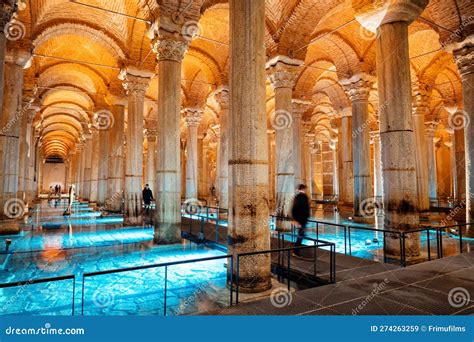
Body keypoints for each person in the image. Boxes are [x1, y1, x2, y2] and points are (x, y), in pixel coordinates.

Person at [291, 184, 310, 257]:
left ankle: (297, 248)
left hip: (302, 219)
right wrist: (295, 219)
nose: (306, 190)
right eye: (305, 189)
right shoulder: (301, 197)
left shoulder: (300, 196)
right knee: (300, 235)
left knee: (301, 234)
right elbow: (295, 208)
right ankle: (296, 251)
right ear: (303, 189)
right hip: (301, 219)